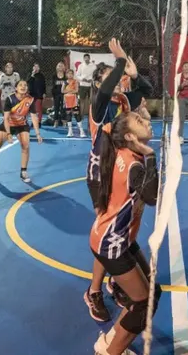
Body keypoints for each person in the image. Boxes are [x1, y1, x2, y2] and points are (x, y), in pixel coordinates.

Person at [85, 40, 152, 325]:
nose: (116, 81)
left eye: (116, 78)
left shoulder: (124, 101)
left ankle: (116, 281)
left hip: (126, 171)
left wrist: (134, 73)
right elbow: (106, 85)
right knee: (109, 231)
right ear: (98, 82)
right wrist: (120, 61)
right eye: (107, 77)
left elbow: (147, 91)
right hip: (103, 174)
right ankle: (94, 291)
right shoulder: (98, 105)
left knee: (129, 227)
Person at [91, 109, 162, 355]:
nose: (147, 122)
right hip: (111, 243)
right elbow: (151, 196)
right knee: (143, 303)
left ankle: (111, 340)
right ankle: (110, 352)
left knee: (152, 292)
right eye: (140, 121)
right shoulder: (133, 163)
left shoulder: (123, 152)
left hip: (116, 238)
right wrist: (152, 155)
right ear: (130, 137)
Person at [0, 79, 34, 183]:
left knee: (25, 146)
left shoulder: (29, 100)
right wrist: (9, 134)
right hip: (8, 124)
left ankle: (23, 172)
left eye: (25, 85)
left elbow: (33, 116)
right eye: (20, 85)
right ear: (16, 88)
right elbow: (5, 118)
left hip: (21, 125)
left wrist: (37, 132)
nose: (23, 87)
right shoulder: (10, 99)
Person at [27, 62, 46, 143]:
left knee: (38, 108)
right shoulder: (30, 75)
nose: (36, 68)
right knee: (31, 110)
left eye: (37, 66)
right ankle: (32, 122)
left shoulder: (41, 75)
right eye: (34, 66)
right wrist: (32, 75)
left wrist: (44, 92)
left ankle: (39, 122)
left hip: (39, 94)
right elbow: (28, 83)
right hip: (31, 94)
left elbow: (44, 85)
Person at [77, 53, 97, 122]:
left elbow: (96, 75)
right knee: (82, 100)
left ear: (89, 58)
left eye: (87, 57)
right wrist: (82, 79)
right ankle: (81, 116)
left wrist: (92, 80)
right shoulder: (80, 66)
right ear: (83, 58)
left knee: (91, 101)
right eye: (85, 58)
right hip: (82, 85)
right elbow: (77, 75)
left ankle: (90, 116)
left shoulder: (94, 66)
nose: (86, 59)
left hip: (91, 85)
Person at [64, 69, 82, 137]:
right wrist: (71, 91)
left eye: (71, 73)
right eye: (68, 73)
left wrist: (69, 91)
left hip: (74, 99)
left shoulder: (75, 81)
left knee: (76, 114)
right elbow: (62, 91)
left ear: (73, 74)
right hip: (67, 100)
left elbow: (76, 90)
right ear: (66, 75)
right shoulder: (65, 82)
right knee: (68, 114)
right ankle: (70, 131)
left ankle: (81, 131)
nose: (70, 75)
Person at [52, 61, 68, 128]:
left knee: (63, 108)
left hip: (64, 95)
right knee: (56, 108)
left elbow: (68, 85)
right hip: (56, 94)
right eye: (59, 66)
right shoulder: (54, 75)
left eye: (62, 66)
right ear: (57, 67)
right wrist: (53, 95)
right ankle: (56, 121)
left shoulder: (66, 75)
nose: (60, 67)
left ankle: (64, 121)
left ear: (64, 67)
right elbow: (53, 86)